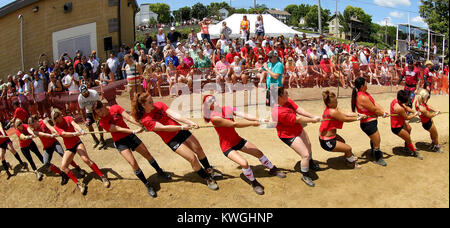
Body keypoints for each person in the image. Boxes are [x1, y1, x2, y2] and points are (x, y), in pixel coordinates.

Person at [131, 93, 221, 191]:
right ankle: (207, 178)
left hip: (181, 131)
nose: (153, 103)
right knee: (192, 158)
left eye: (152, 100)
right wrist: (182, 127)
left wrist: (190, 122)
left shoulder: (159, 105)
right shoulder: (146, 120)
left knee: (198, 149)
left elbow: (175, 115)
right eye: (150, 102)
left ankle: (209, 169)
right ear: (143, 105)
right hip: (171, 139)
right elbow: (164, 128)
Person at [203, 95, 285, 195]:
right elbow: (234, 124)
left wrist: (260, 120)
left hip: (237, 140)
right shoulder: (214, 118)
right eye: (210, 101)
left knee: (259, 153)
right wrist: (252, 124)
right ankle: (254, 182)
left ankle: (273, 169)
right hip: (227, 146)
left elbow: (244, 114)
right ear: (208, 106)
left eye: (213, 98)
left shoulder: (227, 108)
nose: (213, 101)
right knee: (244, 163)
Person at [92, 101, 171, 198]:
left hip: (130, 137)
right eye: (98, 113)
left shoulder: (115, 108)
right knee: (133, 163)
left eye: (101, 110)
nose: (101, 114)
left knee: (147, 154)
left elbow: (129, 118)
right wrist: (133, 131)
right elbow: (117, 129)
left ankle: (160, 171)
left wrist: (141, 125)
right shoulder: (102, 122)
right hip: (120, 142)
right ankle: (147, 184)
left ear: (104, 106)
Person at [48, 108, 110, 194]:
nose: (57, 118)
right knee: (64, 166)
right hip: (69, 147)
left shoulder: (68, 118)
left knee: (86, 160)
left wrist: (80, 130)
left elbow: (75, 125)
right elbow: (63, 134)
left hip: (77, 143)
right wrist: (75, 133)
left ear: (60, 113)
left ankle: (102, 176)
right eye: (55, 118)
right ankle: (79, 184)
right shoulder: (56, 126)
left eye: (58, 115)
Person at [272, 88, 321, 187]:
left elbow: (298, 109)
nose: (288, 95)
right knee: (305, 155)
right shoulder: (278, 111)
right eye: (286, 94)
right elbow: (298, 119)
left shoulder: (287, 101)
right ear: (279, 97)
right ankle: (305, 175)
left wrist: (313, 116)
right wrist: (312, 120)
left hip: (297, 129)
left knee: (309, 145)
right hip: (288, 135)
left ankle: (310, 163)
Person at [27, 115, 86, 185]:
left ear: (35, 121)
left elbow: (50, 127)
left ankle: (77, 168)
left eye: (33, 125)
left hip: (54, 143)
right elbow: (42, 134)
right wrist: (51, 135)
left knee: (63, 155)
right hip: (47, 147)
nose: (33, 127)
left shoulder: (44, 121)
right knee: (46, 163)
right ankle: (62, 174)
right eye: (31, 126)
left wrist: (56, 132)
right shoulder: (35, 131)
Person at [319, 90, 367, 169]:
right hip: (326, 141)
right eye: (334, 102)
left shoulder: (333, 109)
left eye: (336, 101)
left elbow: (346, 113)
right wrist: (358, 118)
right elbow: (345, 118)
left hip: (330, 136)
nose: (336, 103)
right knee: (348, 148)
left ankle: (348, 157)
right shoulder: (332, 111)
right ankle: (351, 163)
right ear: (328, 104)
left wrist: (359, 114)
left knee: (342, 142)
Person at [351, 77, 389, 166]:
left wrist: (383, 110)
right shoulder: (362, 97)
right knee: (377, 141)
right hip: (368, 123)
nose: (367, 84)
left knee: (374, 139)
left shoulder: (365, 94)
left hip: (371, 122)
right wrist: (382, 114)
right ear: (362, 86)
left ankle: (373, 152)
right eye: (366, 83)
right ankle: (377, 158)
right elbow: (374, 109)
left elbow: (374, 104)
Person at [390, 90, 423, 159]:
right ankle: (414, 152)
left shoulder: (397, 101)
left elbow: (406, 108)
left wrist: (414, 111)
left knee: (409, 128)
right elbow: (407, 117)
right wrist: (415, 115)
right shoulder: (399, 108)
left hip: (400, 122)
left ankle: (406, 147)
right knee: (408, 138)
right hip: (396, 127)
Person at [78, 84, 106, 149]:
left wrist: (99, 116)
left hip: (96, 110)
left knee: (99, 124)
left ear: (88, 90)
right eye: (83, 93)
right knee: (88, 124)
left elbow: (99, 104)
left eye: (86, 92)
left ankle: (102, 138)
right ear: (81, 93)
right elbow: (82, 110)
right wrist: (84, 120)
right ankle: (94, 139)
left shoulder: (94, 93)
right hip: (88, 111)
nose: (85, 94)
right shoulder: (80, 98)